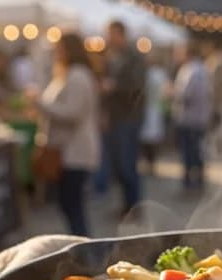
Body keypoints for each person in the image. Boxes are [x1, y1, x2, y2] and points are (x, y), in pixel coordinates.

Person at [38, 33, 101, 237]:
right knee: (70, 205)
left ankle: (86, 251)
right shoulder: (70, 74)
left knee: (72, 205)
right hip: (69, 150)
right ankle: (83, 248)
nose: (56, 53)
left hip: (75, 151)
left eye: (59, 48)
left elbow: (72, 112)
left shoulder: (77, 75)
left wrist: (40, 104)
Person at [96, 20, 146, 217]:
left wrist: (114, 87)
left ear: (120, 34)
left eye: (111, 34)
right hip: (115, 118)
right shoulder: (111, 56)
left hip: (128, 118)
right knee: (118, 165)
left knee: (127, 165)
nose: (108, 38)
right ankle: (127, 205)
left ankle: (134, 206)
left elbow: (137, 87)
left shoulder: (133, 56)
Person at [171, 41, 211, 190]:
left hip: (191, 120)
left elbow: (189, 95)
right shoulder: (193, 69)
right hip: (193, 119)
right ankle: (195, 181)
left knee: (192, 153)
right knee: (194, 152)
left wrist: (172, 92)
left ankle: (192, 183)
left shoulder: (194, 70)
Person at [139, 51, 170, 173]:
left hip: (153, 108)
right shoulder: (158, 74)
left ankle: (150, 162)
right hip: (153, 108)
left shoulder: (154, 74)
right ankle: (150, 162)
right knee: (150, 137)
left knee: (150, 138)